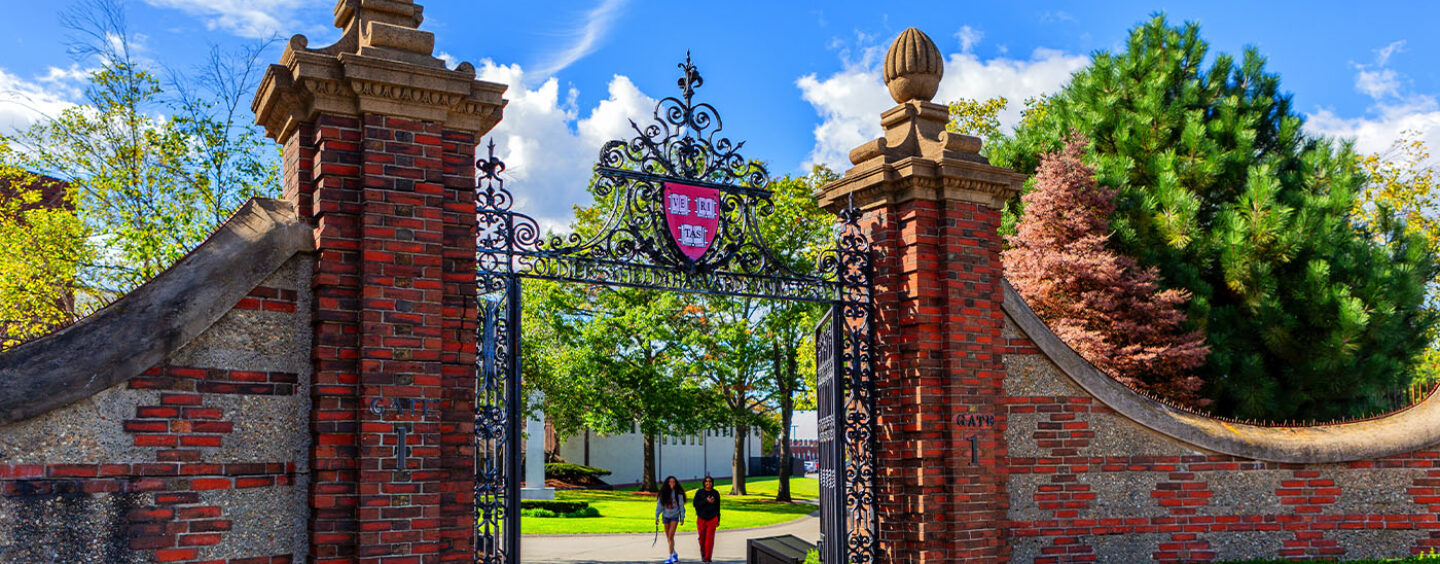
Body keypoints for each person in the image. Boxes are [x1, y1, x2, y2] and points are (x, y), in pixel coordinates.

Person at [655, 476, 686, 563]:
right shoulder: (663, 493)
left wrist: (682, 517)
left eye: (673, 482)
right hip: (665, 516)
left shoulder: (678, 493)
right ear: (667, 483)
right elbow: (659, 506)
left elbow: (681, 506)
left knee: (671, 536)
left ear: (676, 483)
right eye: (670, 482)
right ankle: (674, 553)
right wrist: (657, 517)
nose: (672, 484)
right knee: (668, 537)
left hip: (674, 516)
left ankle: (670, 557)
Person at [693, 476, 721, 562]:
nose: (708, 483)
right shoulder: (700, 492)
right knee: (702, 538)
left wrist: (718, 519)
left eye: (710, 482)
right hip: (701, 518)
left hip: (712, 518)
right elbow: (695, 504)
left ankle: (708, 558)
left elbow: (718, 507)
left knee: (709, 539)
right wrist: (706, 501)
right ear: (704, 483)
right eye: (706, 481)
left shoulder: (715, 493)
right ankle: (703, 554)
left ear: (712, 483)